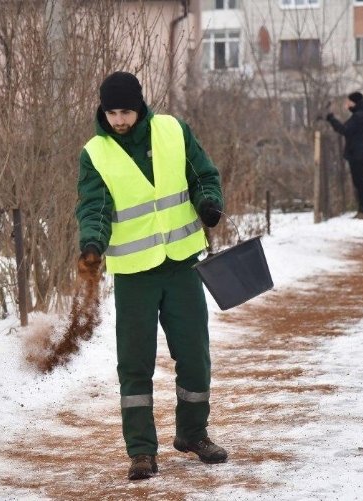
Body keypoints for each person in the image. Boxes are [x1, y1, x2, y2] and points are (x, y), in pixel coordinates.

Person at [75, 71, 228, 481]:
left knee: (195, 356)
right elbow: (95, 207)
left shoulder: (173, 131)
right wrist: (92, 243)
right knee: (135, 364)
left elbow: (203, 176)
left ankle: (193, 434)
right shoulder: (96, 153)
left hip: (181, 266)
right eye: (111, 113)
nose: (119, 120)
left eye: (125, 111)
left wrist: (209, 204)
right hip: (135, 276)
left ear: (140, 106)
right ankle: (141, 451)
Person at [326, 91, 363, 219]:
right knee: (361, 182)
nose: (347, 104)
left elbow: (345, 129)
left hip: (357, 154)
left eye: (348, 102)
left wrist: (331, 119)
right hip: (362, 154)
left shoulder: (359, 116)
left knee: (360, 182)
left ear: (354, 102)